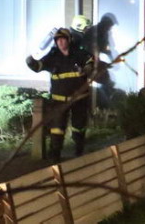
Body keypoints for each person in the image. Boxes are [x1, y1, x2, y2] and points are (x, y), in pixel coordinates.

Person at [25, 28, 95, 162]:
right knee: (57, 127)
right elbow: (38, 66)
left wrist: (87, 69)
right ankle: (55, 153)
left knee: (79, 126)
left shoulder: (79, 53)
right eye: (58, 40)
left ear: (69, 40)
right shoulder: (52, 56)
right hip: (59, 100)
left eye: (63, 39)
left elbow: (90, 61)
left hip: (79, 98)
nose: (60, 42)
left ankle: (79, 149)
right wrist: (30, 61)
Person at [82, 13, 118, 108]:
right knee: (105, 79)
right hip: (88, 63)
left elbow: (104, 48)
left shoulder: (104, 33)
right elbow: (91, 50)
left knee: (106, 80)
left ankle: (103, 104)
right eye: (110, 26)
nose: (110, 28)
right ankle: (101, 106)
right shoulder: (94, 32)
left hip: (95, 62)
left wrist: (112, 57)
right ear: (105, 23)